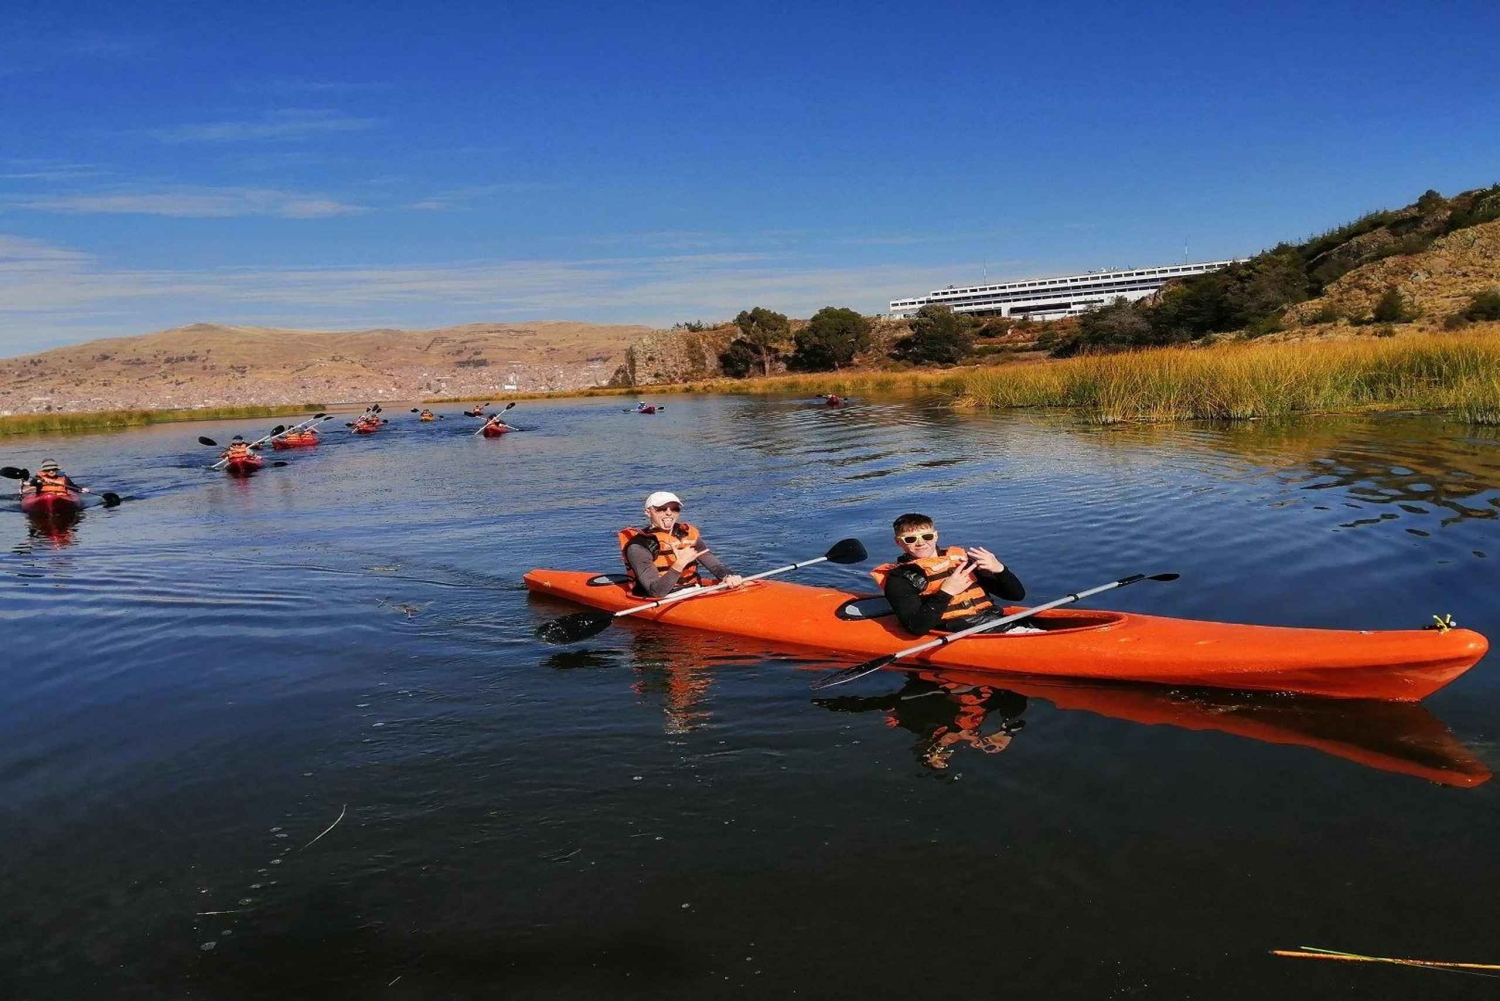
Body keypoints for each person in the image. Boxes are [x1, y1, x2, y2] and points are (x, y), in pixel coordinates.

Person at [871, 512, 1026, 636]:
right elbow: (916, 627)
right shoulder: (900, 579)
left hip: (996, 622)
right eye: (910, 539)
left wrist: (1000, 570)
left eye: (927, 536)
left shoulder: (963, 561)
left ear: (935, 536)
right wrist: (946, 592)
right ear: (898, 542)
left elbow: (1016, 595)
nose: (921, 543)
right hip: (959, 632)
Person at [618, 491, 744, 598]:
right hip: (664, 597)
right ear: (648, 512)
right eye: (661, 509)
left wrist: (728, 576)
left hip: (694, 589)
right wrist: (679, 564)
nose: (669, 513)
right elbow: (656, 592)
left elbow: (713, 564)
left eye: (675, 509)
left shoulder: (687, 534)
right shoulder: (638, 546)